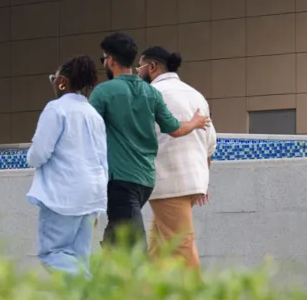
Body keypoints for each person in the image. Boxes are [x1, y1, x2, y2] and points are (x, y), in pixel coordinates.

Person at [89, 33, 210, 250]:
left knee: (134, 244)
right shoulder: (150, 93)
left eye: (104, 59)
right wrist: (194, 122)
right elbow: (175, 129)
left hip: (120, 180)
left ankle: (120, 279)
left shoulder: (103, 92)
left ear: (112, 60)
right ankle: (105, 277)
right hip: (146, 180)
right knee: (117, 235)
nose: (104, 63)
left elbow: (84, 129)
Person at [26, 55, 108, 277]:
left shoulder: (56, 109)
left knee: (52, 253)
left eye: (54, 78)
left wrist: (30, 157)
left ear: (62, 81)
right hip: (93, 195)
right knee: (79, 257)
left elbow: (39, 153)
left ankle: (92, 292)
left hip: (63, 195)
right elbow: (103, 159)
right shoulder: (93, 114)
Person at [138, 46, 217, 273]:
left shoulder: (152, 94)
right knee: (158, 250)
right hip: (192, 182)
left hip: (167, 183)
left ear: (151, 67)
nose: (138, 73)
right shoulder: (195, 95)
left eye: (139, 67)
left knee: (182, 247)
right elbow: (209, 143)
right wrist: (203, 181)